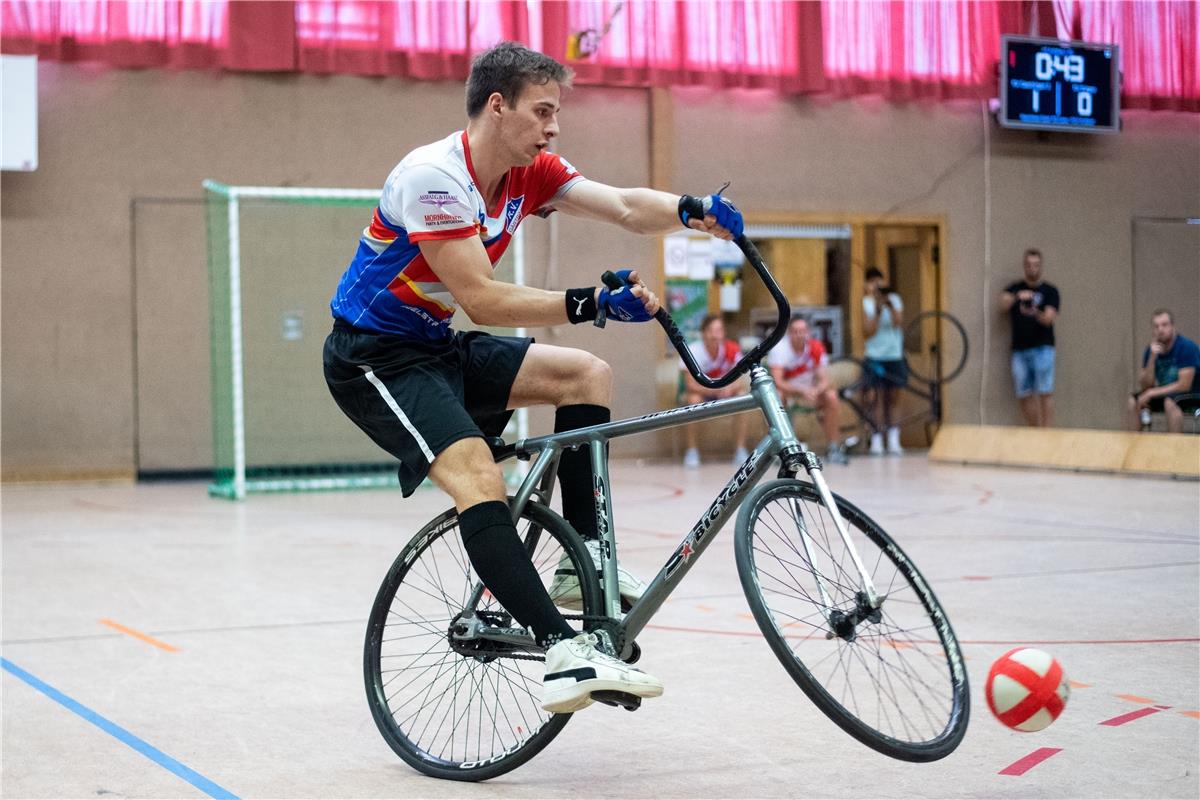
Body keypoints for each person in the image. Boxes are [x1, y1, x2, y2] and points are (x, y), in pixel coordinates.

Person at [322, 42, 743, 714]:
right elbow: (483, 300)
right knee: (477, 478)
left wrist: (692, 210)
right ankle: (562, 652)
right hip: (373, 358)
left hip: (434, 344)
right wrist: (589, 303)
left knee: (585, 373)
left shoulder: (529, 173)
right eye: (543, 111)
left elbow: (627, 207)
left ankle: (578, 570)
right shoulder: (434, 177)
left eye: (556, 112)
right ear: (498, 105)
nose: (554, 126)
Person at [768, 316, 847, 464]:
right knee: (777, 397)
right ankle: (782, 449)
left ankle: (834, 447)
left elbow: (824, 379)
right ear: (789, 333)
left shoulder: (816, 347)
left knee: (831, 396)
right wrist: (801, 390)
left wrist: (816, 390)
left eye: (803, 331)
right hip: (789, 392)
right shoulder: (779, 349)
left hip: (811, 393)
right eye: (795, 331)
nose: (799, 335)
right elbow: (778, 381)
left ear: (809, 332)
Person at [679, 314, 751, 468]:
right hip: (704, 393)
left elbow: (740, 380)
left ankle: (740, 449)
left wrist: (728, 388)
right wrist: (714, 391)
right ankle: (692, 451)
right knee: (693, 400)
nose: (715, 335)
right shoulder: (692, 351)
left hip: (725, 393)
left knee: (742, 398)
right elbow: (690, 384)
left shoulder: (732, 349)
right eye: (711, 331)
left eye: (719, 331)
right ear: (704, 333)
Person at [999, 248, 1060, 427]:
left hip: (1043, 347)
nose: (1032, 268)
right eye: (1029, 265)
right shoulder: (1015, 288)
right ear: (1024, 266)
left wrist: (1035, 311)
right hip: (1019, 349)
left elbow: (1049, 318)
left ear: (1041, 267)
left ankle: (1046, 434)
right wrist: (1018, 297)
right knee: (1024, 393)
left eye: (1036, 265)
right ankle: (1033, 431)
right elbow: (1002, 304)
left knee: (1045, 391)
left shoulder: (1050, 291)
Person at [1126, 309, 1199, 433]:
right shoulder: (1151, 350)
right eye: (1156, 326)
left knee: (1170, 402)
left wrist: (1151, 393)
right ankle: (1133, 445)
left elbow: (1184, 385)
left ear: (1172, 326)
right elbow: (1146, 385)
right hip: (1166, 392)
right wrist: (1152, 359)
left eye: (1164, 325)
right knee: (1134, 401)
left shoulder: (1186, 347)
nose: (1160, 329)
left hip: (1192, 393)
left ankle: (1173, 446)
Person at [861, 267, 906, 455]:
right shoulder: (867, 303)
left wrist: (889, 305)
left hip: (894, 355)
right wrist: (878, 311)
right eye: (872, 282)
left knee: (894, 398)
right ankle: (877, 438)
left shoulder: (894, 300)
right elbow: (868, 331)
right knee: (876, 398)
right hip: (875, 356)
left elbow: (898, 322)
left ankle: (894, 438)